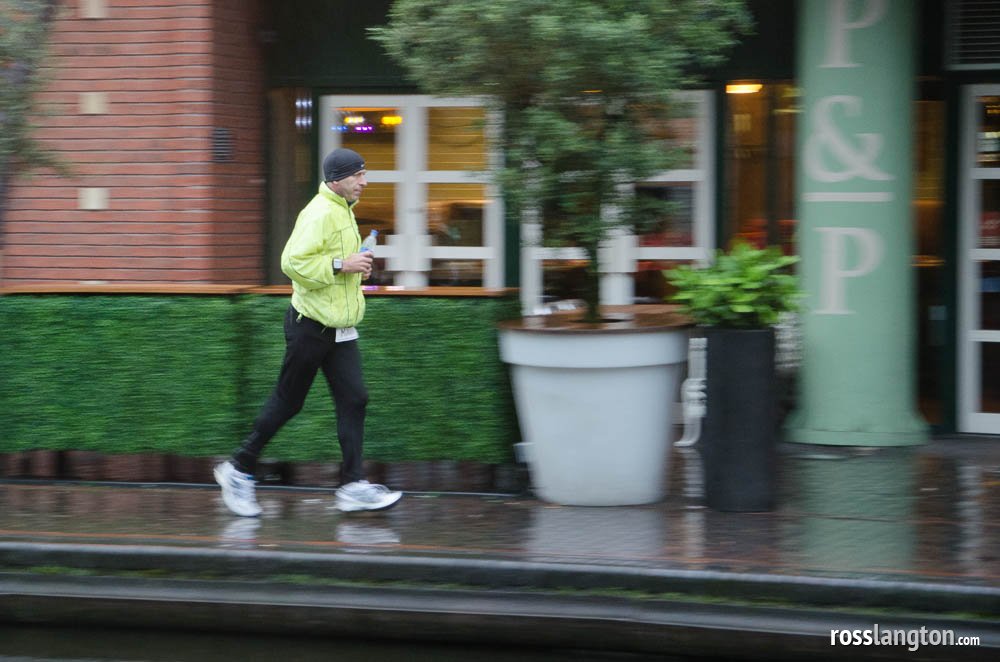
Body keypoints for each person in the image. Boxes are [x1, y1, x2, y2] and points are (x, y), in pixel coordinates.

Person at [215, 148, 402, 517]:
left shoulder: (344, 210)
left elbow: (334, 265)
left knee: (355, 399)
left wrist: (355, 266)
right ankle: (238, 468)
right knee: (289, 401)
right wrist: (341, 264)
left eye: (364, 174)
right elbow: (292, 262)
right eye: (357, 175)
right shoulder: (318, 212)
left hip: (340, 328)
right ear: (336, 179)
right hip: (311, 327)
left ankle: (352, 485)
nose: (364, 182)